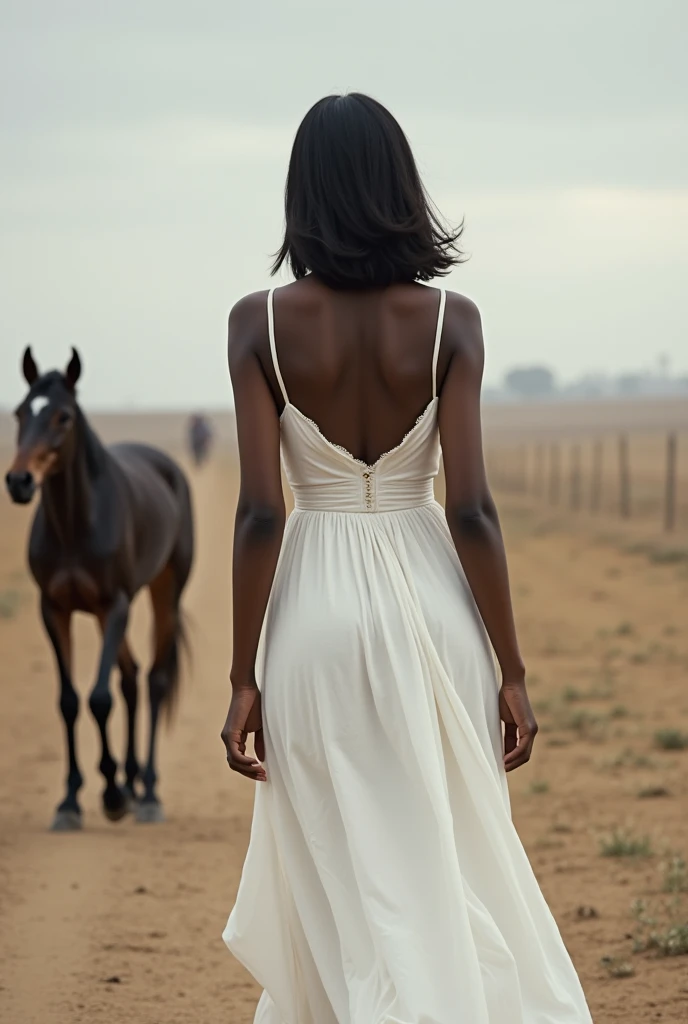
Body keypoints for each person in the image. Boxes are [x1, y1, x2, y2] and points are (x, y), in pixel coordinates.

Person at [221, 93, 592, 1024]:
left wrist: (241, 677)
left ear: (302, 196)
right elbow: (468, 507)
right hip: (433, 608)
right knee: (447, 850)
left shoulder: (256, 324)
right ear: (399, 188)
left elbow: (261, 513)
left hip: (312, 615)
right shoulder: (451, 321)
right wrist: (511, 671)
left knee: (343, 875)